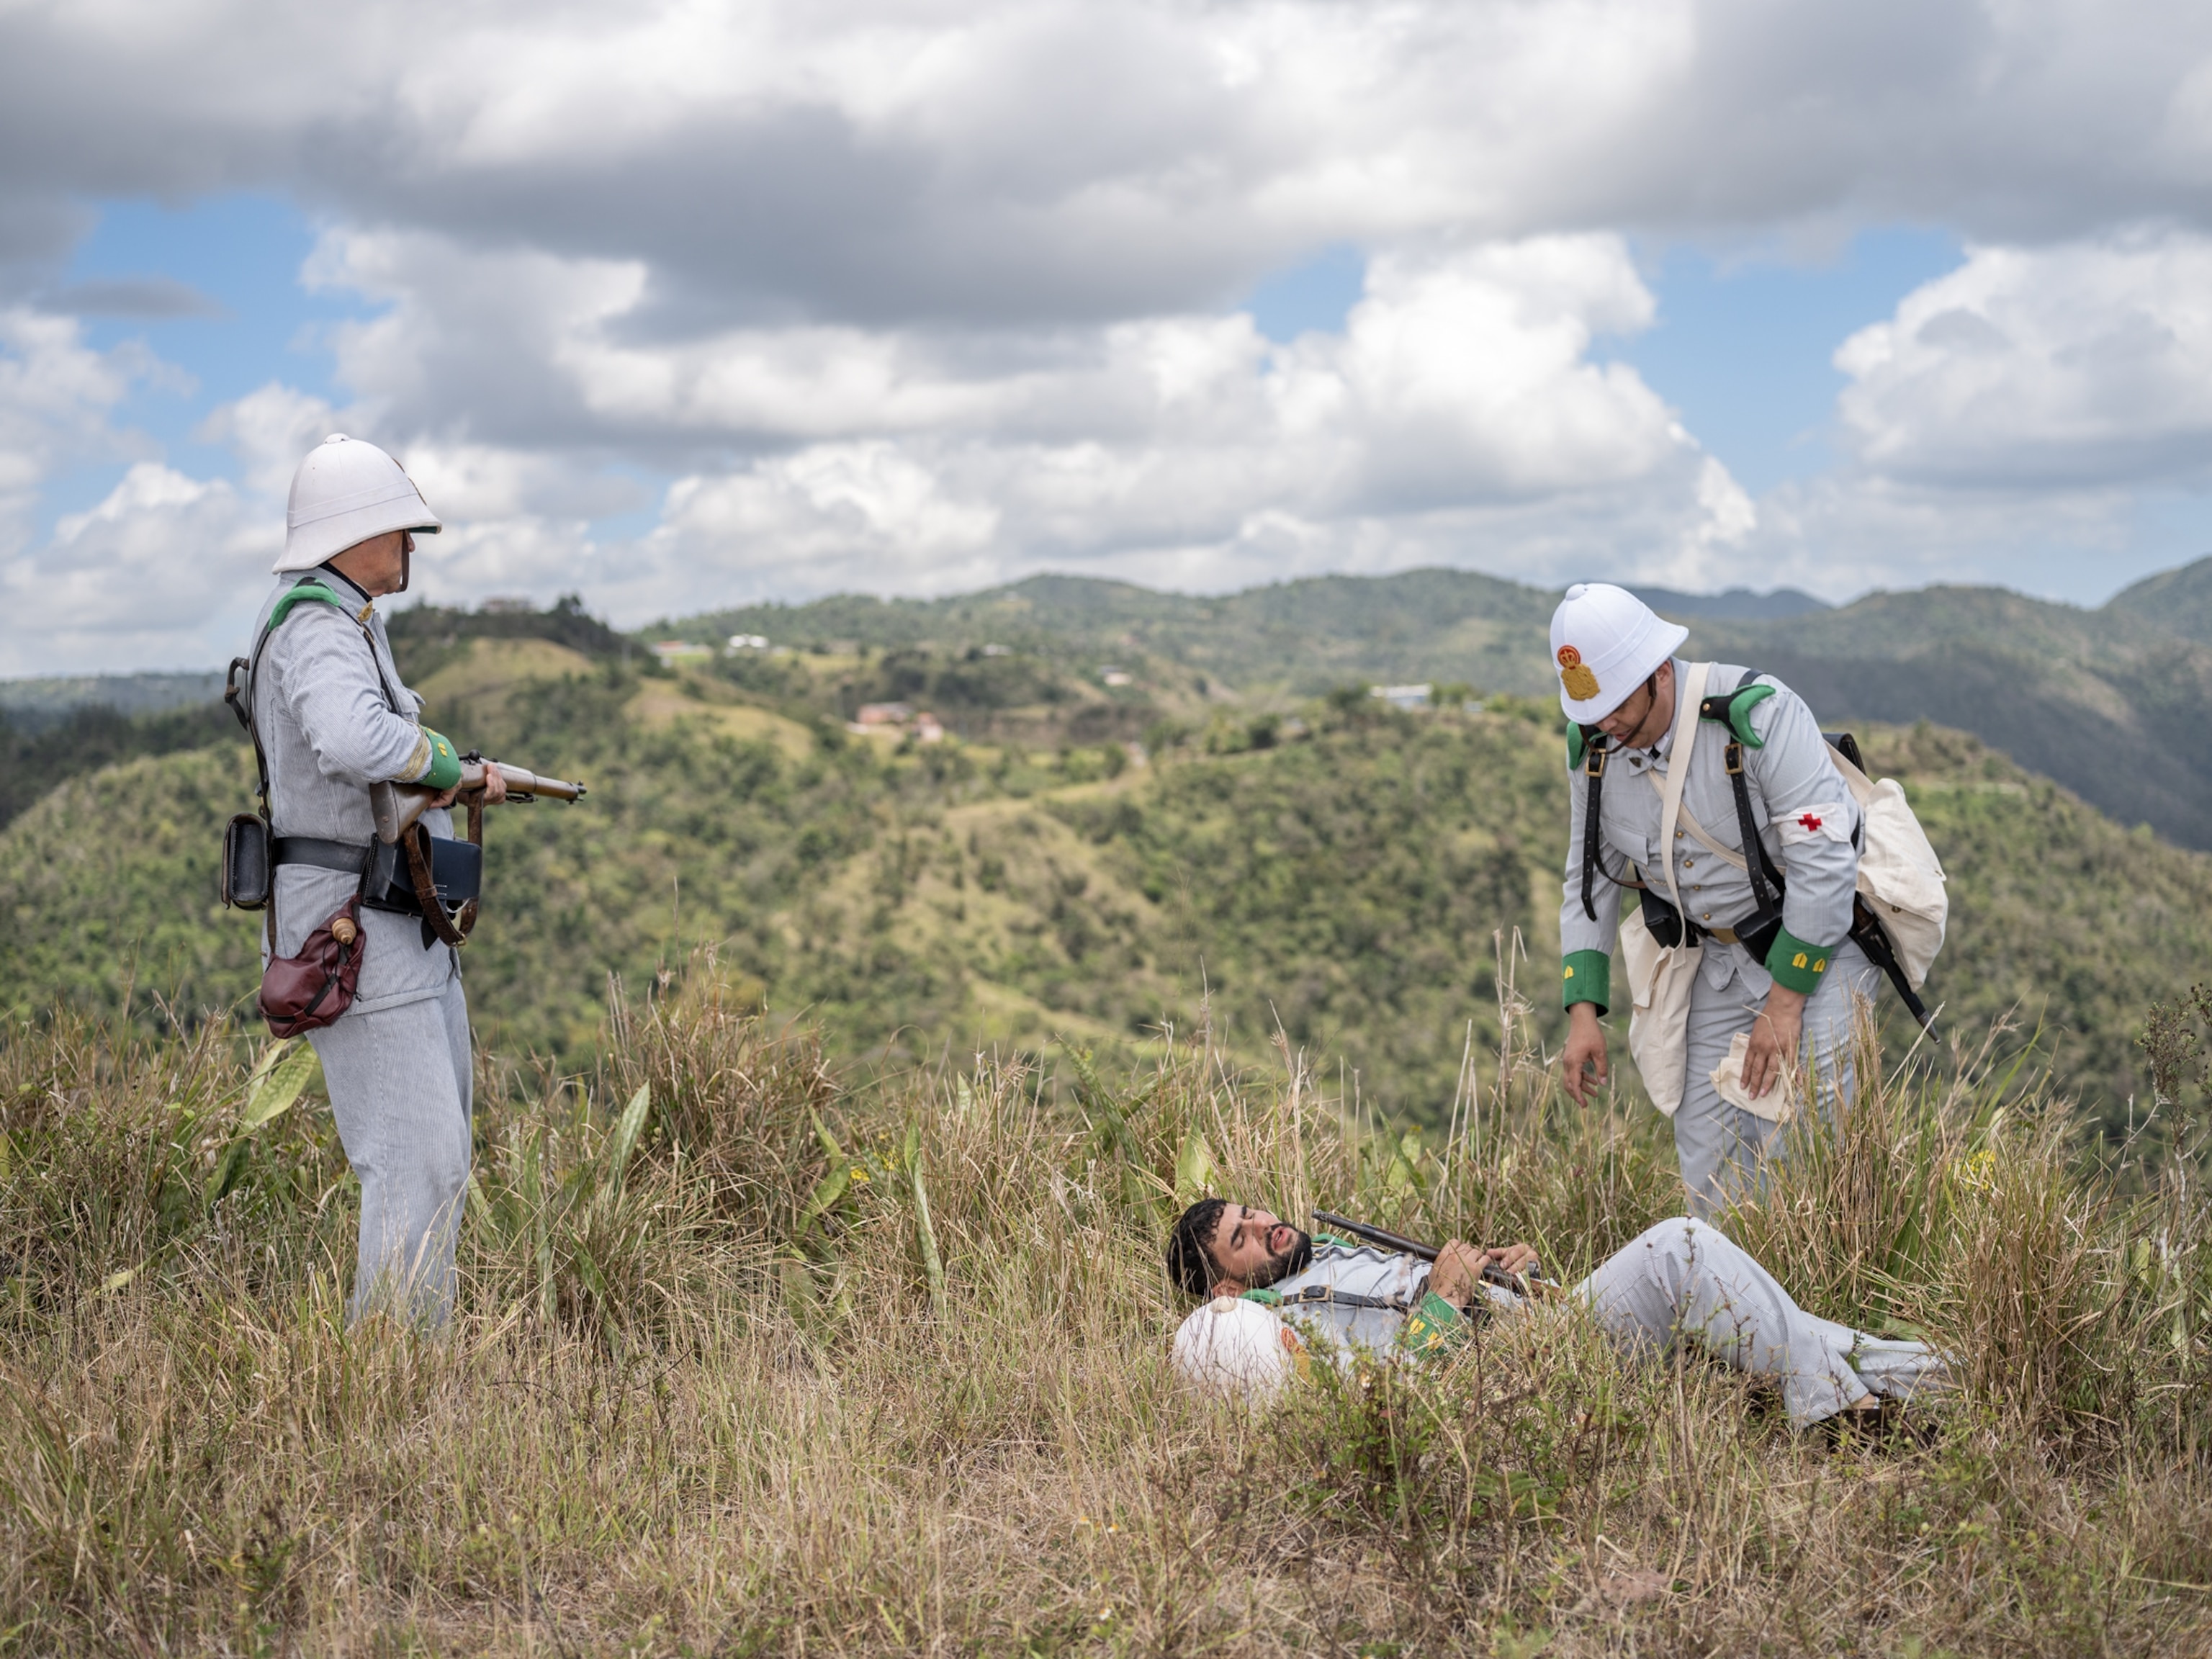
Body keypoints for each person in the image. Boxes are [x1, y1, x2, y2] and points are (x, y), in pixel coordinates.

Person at [248, 433, 506, 1326]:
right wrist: (445, 760)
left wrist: (458, 778)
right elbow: (356, 740)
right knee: (414, 1160)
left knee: (440, 1157)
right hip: (354, 931)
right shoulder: (319, 623)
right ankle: (391, 1399)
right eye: (397, 529)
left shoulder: (349, 619)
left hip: (393, 925)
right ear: (353, 533)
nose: (407, 548)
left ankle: (411, 1376)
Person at [1550, 583, 1881, 1215]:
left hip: (1818, 951)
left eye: (1618, 704)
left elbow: (1824, 860)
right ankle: (1722, 1308)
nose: (1607, 724)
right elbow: (1588, 878)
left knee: (1803, 1148)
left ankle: (1817, 1300)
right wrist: (1584, 1012)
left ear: (1659, 673)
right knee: (1708, 1156)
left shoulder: (1758, 715)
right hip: (1716, 962)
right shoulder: (1593, 751)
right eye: (1592, 713)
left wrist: (1785, 1006)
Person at [1165, 1197, 1946, 1431]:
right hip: (1515, 1382)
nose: (1265, 1223)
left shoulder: (1331, 1251)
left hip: (1545, 1323)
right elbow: (1389, 1403)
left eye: (1252, 1209)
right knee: (1681, 1245)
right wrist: (1448, 1295)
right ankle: (1837, 1418)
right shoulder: (1280, 1329)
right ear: (1227, 1290)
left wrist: (1509, 1276)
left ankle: (1943, 1388)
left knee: (1821, 1339)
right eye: (1241, 1238)